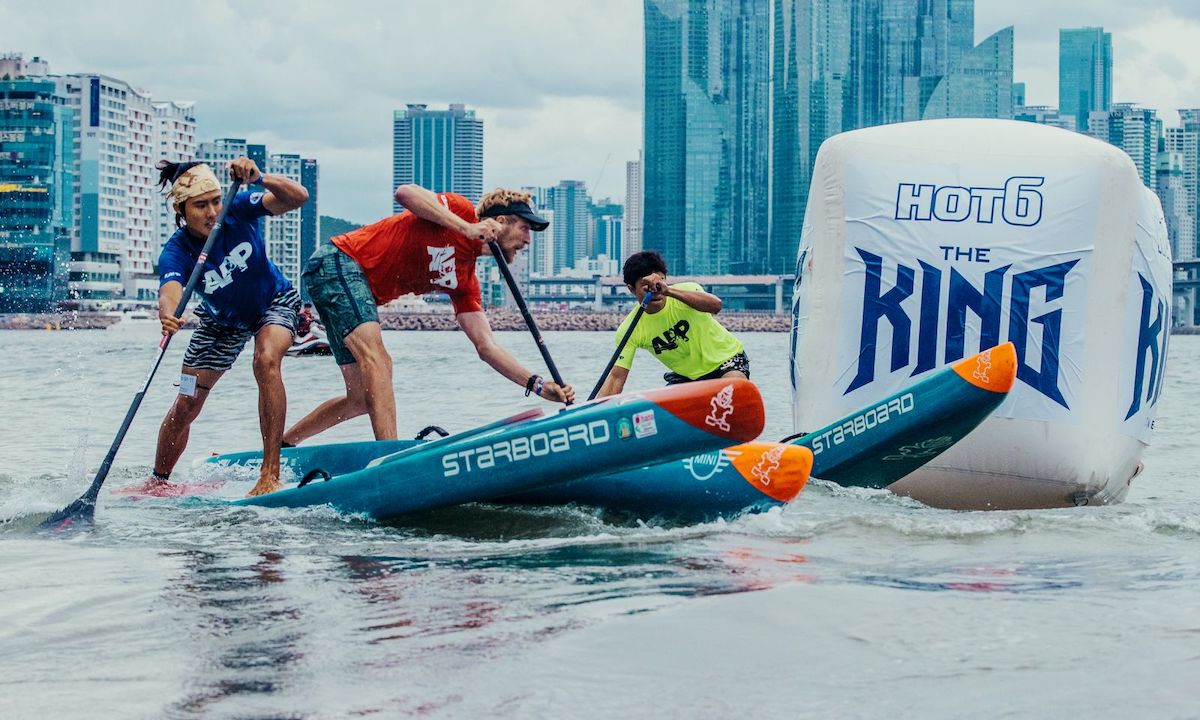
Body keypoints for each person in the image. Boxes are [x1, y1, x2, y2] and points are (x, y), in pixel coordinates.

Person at [281, 185, 574, 446]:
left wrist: (538, 385)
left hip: (346, 286)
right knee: (379, 361)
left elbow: (487, 347)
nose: (528, 240)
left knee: (361, 399)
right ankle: (389, 458)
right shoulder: (459, 211)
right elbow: (405, 193)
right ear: (500, 222)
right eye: (525, 228)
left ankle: (285, 445)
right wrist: (466, 228)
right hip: (339, 261)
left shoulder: (466, 281)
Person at [144, 158, 309, 497]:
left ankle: (270, 474)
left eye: (215, 202)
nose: (212, 212)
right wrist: (168, 313)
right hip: (222, 321)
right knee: (187, 401)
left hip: (274, 302)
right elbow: (170, 290)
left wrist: (259, 178)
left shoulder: (238, 207)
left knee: (265, 361)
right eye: (200, 205)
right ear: (181, 210)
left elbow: (298, 198)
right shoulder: (176, 250)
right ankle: (158, 481)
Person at [595, 251, 749, 397]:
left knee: (733, 387)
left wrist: (668, 292)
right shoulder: (629, 329)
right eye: (646, 287)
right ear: (631, 289)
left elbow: (716, 306)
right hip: (688, 378)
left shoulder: (688, 290)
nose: (655, 292)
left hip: (727, 362)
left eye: (659, 282)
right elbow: (616, 378)